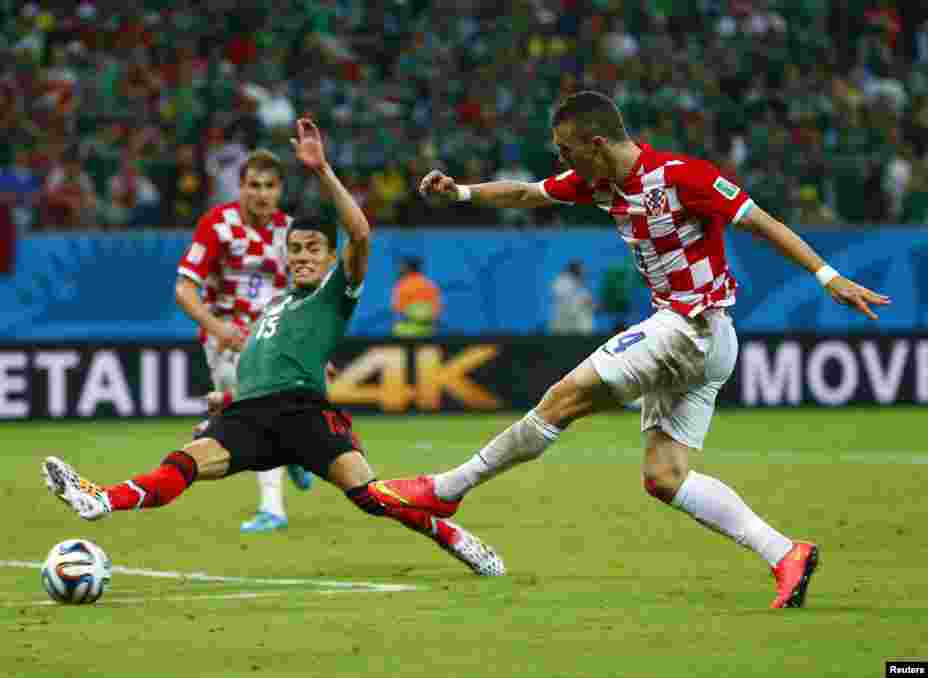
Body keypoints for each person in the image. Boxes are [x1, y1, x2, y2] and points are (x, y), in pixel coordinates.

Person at [369, 90, 891, 608]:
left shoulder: (683, 175)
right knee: (665, 478)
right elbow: (527, 194)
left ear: (596, 143)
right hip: (705, 341)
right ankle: (785, 553)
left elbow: (760, 221)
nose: (561, 160)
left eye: (565, 150)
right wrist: (460, 194)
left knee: (562, 399)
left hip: (690, 328)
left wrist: (829, 276)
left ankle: (447, 489)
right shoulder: (596, 183)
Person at [41, 119, 504, 578]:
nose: (302, 255)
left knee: (373, 498)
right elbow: (266, 364)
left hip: (306, 416)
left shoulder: (334, 293)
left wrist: (321, 170)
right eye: (296, 248)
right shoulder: (273, 305)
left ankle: (453, 537)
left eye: (313, 249)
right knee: (182, 464)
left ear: (328, 259)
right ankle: (99, 499)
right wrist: (228, 399)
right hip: (252, 417)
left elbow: (360, 234)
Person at [174, 146, 315, 534]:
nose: (262, 194)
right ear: (240, 187)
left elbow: (305, 295)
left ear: (280, 190)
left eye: (270, 186)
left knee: (257, 415)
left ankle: (273, 507)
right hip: (224, 339)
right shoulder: (217, 226)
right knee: (252, 417)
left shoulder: (291, 231)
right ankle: (296, 451)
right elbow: (184, 289)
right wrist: (217, 328)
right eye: (254, 185)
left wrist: (312, 346)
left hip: (269, 337)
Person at [391, 257, 442, 337]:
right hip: (429, 331)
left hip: (406, 331)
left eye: (402, 267)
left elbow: (399, 309)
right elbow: (437, 310)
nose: (399, 270)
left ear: (408, 269)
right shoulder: (430, 284)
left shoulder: (402, 285)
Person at [550, 261, 594, 334]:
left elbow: (588, 302)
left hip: (579, 326)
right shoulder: (562, 282)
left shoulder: (582, 286)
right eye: (582, 270)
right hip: (565, 324)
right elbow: (566, 299)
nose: (585, 273)